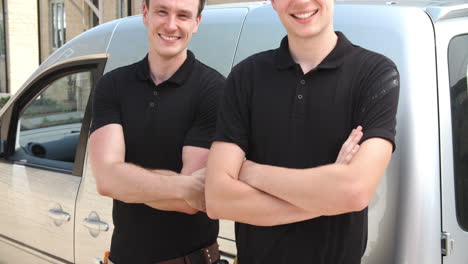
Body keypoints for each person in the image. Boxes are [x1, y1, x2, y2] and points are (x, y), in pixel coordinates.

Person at [205, 0, 400, 262]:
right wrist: (329, 198)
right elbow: (219, 199)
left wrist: (252, 172)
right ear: (274, 2)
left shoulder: (375, 74)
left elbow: (354, 191)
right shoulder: (245, 77)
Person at [88, 0, 225, 263]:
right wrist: (178, 185)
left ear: (196, 23)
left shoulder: (214, 90)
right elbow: (106, 181)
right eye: (162, 11)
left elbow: (191, 200)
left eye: (183, 15)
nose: (171, 25)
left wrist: (126, 178)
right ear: (145, 14)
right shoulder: (113, 85)